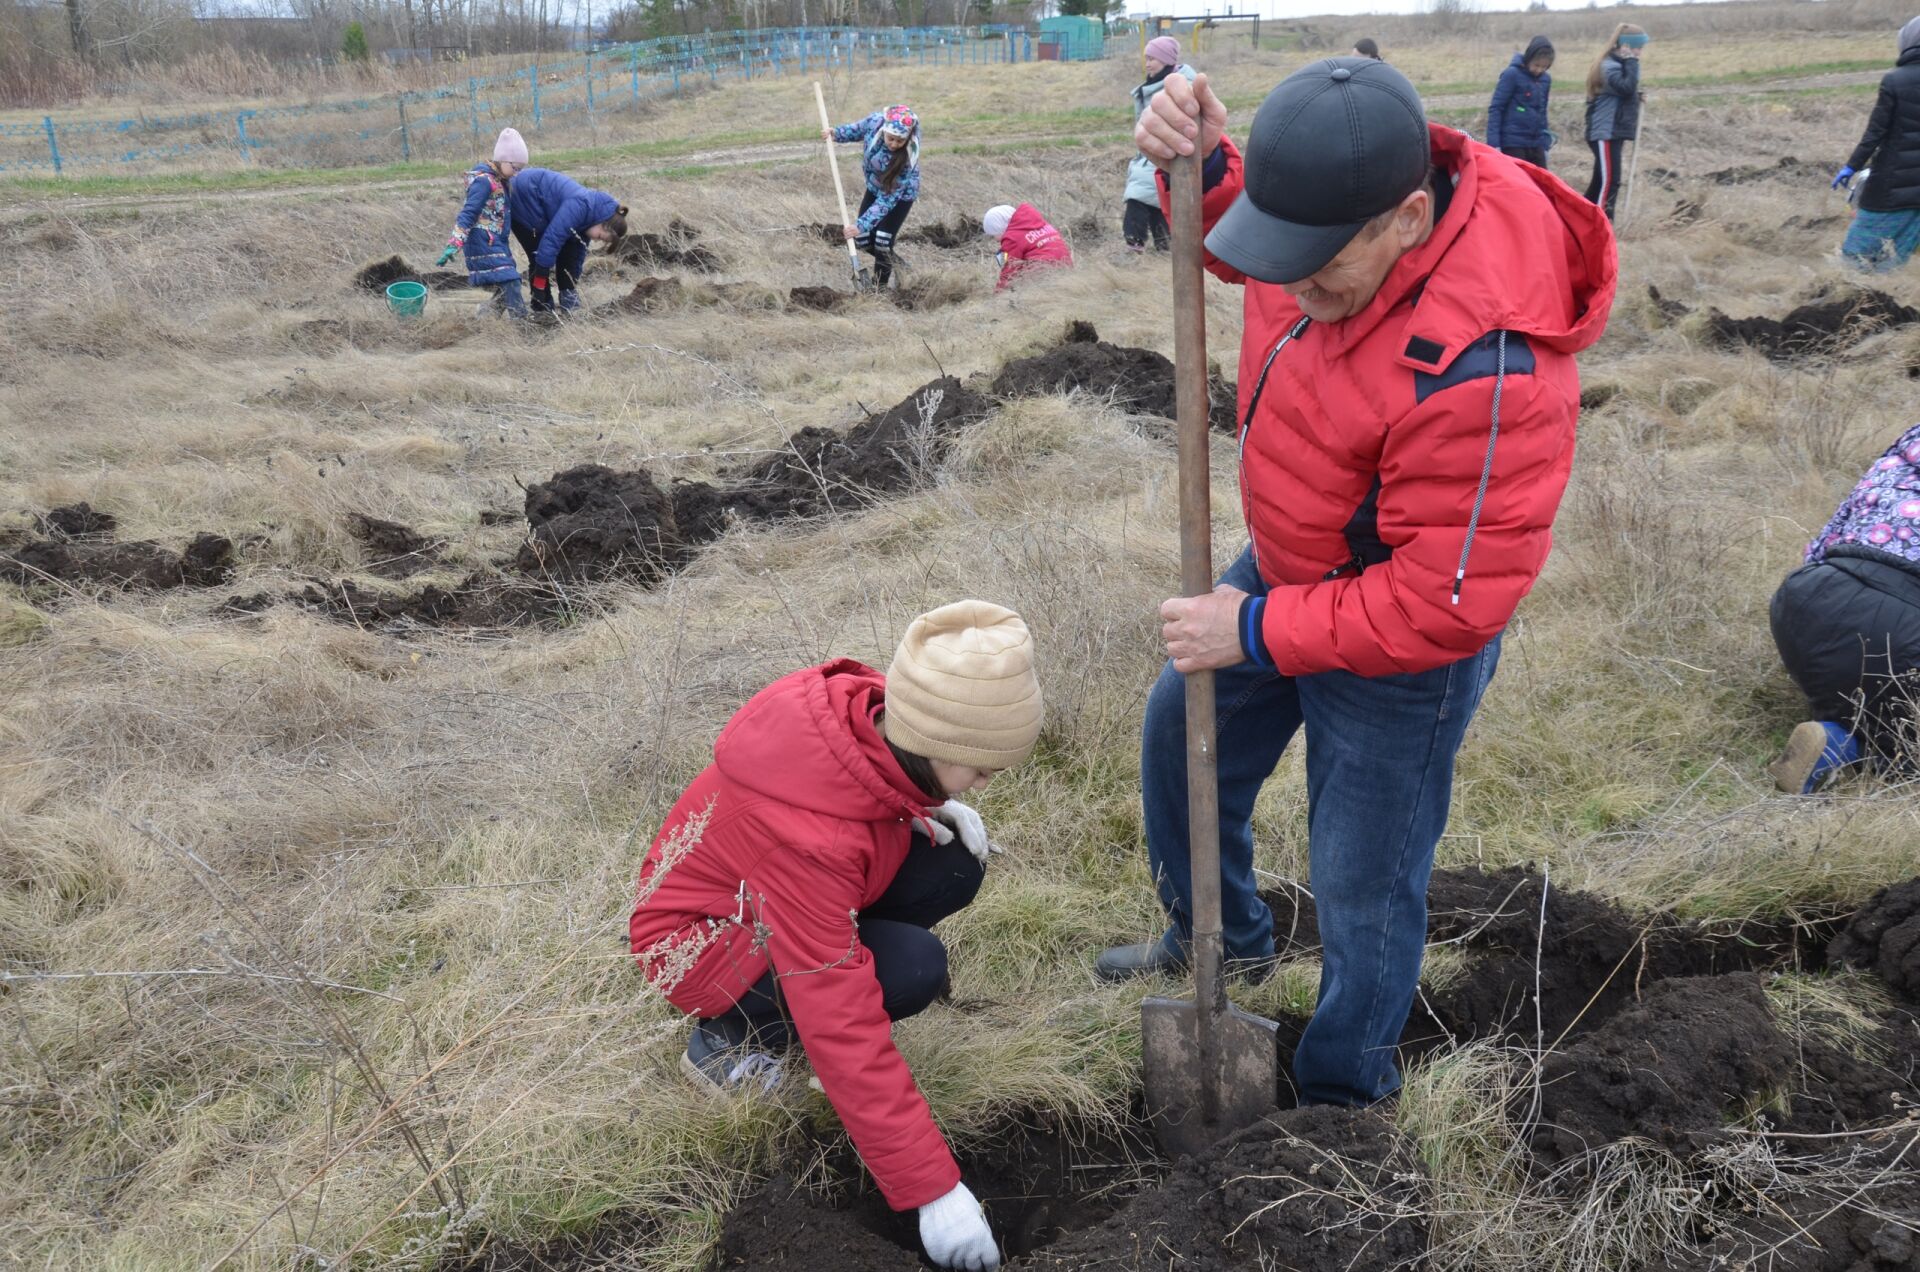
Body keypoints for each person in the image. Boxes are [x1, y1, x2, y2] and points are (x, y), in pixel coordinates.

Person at [1096, 58, 1616, 1111]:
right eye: (1283, 258)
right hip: (1292, 565)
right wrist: (1201, 161)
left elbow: (1442, 603)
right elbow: (1254, 232)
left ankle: (1342, 1092)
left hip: (1402, 640)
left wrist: (1250, 630)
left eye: (1318, 268)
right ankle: (1222, 943)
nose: (1291, 290)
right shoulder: (1337, 232)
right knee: (1177, 738)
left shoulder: (1490, 368)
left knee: (1361, 880)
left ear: (1410, 218)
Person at [630, 600, 1043, 1272]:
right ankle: (730, 1040)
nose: (991, 779)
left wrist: (927, 804)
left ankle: (783, 1007)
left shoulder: (873, 721)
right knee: (909, 969)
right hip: (699, 944)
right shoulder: (807, 837)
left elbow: (864, 792)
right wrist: (933, 1192)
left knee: (952, 866)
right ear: (931, 740)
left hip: (777, 902)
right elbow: (841, 1014)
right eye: (981, 765)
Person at [1768, 424, 1920, 792]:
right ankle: (1846, 748)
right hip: (1897, 623)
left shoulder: (1901, 454)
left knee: (1866, 690)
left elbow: (1819, 547)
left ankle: (1839, 726)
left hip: (1805, 599)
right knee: (1907, 748)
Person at [1832, 16, 1920, 271]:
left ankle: (1856, 302)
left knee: (1854, 258)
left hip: (1891, 187)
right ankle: (1893, 304)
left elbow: (1875, 133)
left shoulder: (1895, 80)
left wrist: (1852, 166)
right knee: (1897, 258)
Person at [504, 166, 628, 314]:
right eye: (600, 236)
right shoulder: (580, 206)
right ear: (602, 222)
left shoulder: (589, 220)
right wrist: (539, 287)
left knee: (568, 250)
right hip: (524, 197)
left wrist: (569, 288)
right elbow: (550, 243)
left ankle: (566, 304)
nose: (596, 240)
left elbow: (574, 257)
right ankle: (541, 307)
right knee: (538, 252)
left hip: (543, 206)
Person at [824, 105, 921, 288]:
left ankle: (879, 288)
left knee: (883, 240)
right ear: (884, 129)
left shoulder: (907, 158)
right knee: (862, 239)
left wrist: (860, 225)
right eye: (891, 138)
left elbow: (887, 199)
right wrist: (836, 133)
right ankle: (901, 266)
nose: (893, 144)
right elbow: (858, 129)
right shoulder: (875, 122)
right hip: (875, 187)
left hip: (900, 196)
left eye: (900, 141)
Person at [436, 127, 529, 318]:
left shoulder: (500, 181)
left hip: (496, 242)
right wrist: (454, 243)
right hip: (482, 242)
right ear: (503, 159)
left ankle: (484, 318)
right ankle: (524, 328)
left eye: (521, 169)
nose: (517, 173)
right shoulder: (484, 182)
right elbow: (468, 213)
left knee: (509, 285)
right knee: (511, 281)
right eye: (515, 168)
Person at [1124, 37, 1196, 251]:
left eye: (1152, 58)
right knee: (1157, 202)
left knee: (1138, 196)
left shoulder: (1179, 86)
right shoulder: (1153, 85)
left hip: (1165, 155)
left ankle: (1134, 246)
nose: (1147, 63)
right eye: (1146, 58)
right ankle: (1164, 249)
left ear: (1166, 60)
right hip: (1150, 155)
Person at [1583, 23, 1647, 220]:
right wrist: (1632, 61)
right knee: (1610, 180)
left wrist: (1636, 96)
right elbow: (1624, 87)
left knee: (1599, 181)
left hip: (1613, 130)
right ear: (1627, 46)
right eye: (1639, 48)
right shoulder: (1608, 66)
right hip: (1605, 131)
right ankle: (1604, 224)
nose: (1640, 52)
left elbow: (1625, 91)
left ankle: (1580, 218)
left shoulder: (1619, 64)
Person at [1487, 37, 1555, 169]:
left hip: (1536, 143)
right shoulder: (1511, 75)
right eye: (1536, 65)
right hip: (1513, 143)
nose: (1539, 70)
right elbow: (1496, 108)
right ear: (1529, 58)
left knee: (1541, 184)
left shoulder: (1546, 80)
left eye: (1544, 67)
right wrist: (1494, 144)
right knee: (1518, 185)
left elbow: (1542, 111)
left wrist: (1545, 143)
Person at [983, 202, 1072, 290]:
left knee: (1007, 262)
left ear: (1000, 227)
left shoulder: (1012, 238)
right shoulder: (1037, 222)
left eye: (994, 234)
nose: (995, 239)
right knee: (1004, 255)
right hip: (1067, 267)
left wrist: (998, 294)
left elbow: (1009, 270)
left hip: (1045, 274)